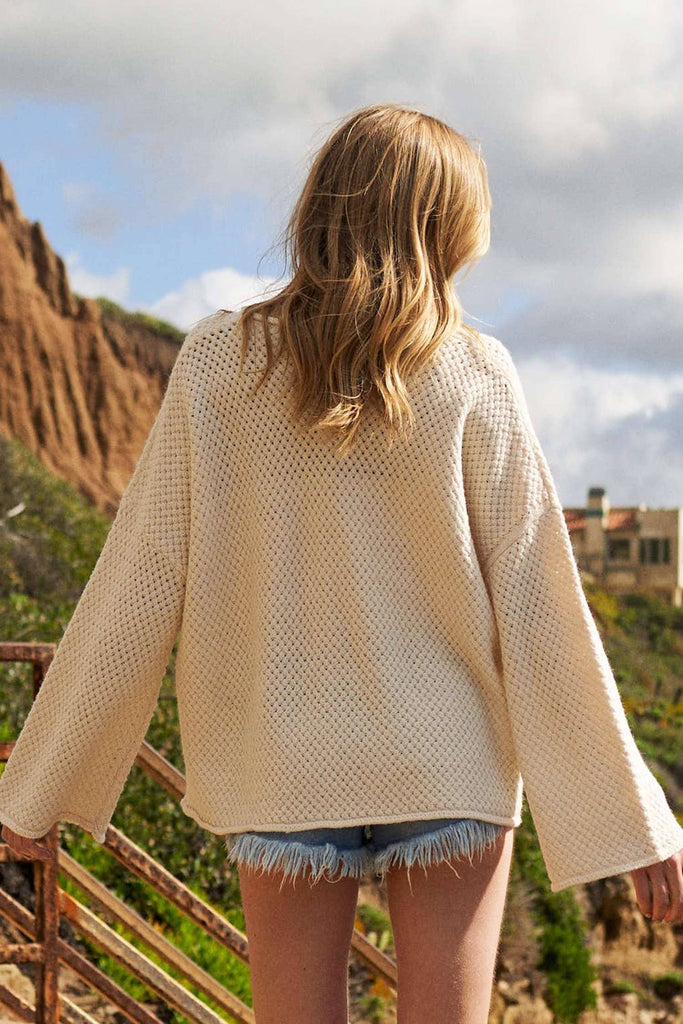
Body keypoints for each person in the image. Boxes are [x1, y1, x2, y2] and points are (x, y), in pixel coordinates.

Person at [1, 103, 682, 1024]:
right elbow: (538, 603)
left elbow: (140, 577)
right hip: (448, 761)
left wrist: (34, 788)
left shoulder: (218, 362)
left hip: (281, 763)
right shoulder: (476, 372)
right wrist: (633, 815)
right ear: (440, 226)